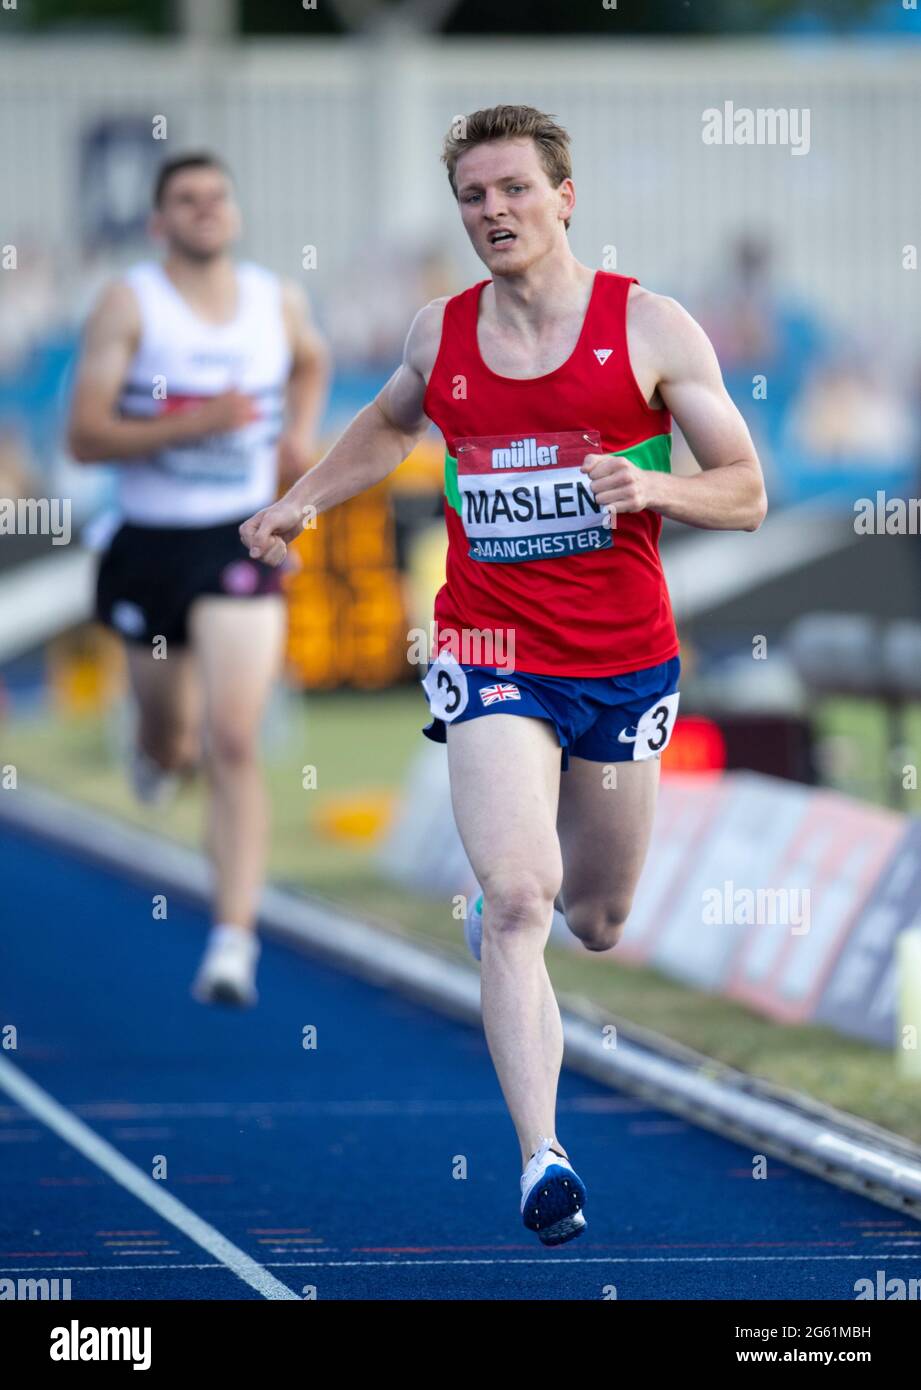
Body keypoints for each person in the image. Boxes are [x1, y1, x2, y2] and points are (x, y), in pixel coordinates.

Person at [241, 106, 766, 1243]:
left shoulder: (652, 328)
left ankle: (514, 909)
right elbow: (387, 430)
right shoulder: (444, 334)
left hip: (623, 663)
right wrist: (299, 505)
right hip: (488, 648)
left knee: (598, 915)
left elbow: (747, 490)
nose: (494, 213)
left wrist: (657, 489)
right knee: (525, 898)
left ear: (564, 196)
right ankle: (543, 1158)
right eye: (474, 196)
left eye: (515, 190)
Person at [67, 152, 329, 1007]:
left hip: (237, 535)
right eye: (186, 199)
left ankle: (231, 940)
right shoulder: (129, 303)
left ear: (236, 213)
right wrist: (196, 423)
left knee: (234, 738)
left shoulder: (273, 301)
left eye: (218, 196)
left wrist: (297, 437)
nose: (206, 210)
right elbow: (85, 436)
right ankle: (154, 754)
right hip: (148, 542)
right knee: (173, 740)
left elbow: (312, 360)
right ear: (158, 221)